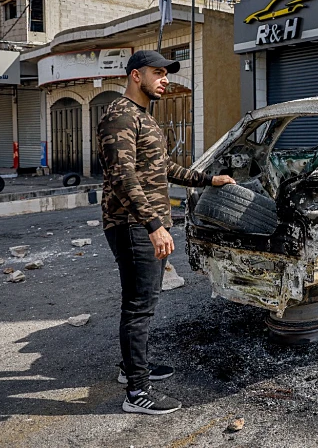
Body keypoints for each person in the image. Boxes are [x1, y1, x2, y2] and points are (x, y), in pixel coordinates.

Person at [98, 50, 235, 415]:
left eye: (166, 74)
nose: (165, 80)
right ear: (134, 75)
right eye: (157, 73)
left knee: (142, 301)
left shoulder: (143, 117)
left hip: (141, 225)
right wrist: (154, 225)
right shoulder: (120, 115)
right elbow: (122, 178)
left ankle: (133, 369)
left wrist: (209, 180)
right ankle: (137, 393)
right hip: (133, 226)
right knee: (139, 307)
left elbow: (164, 167)